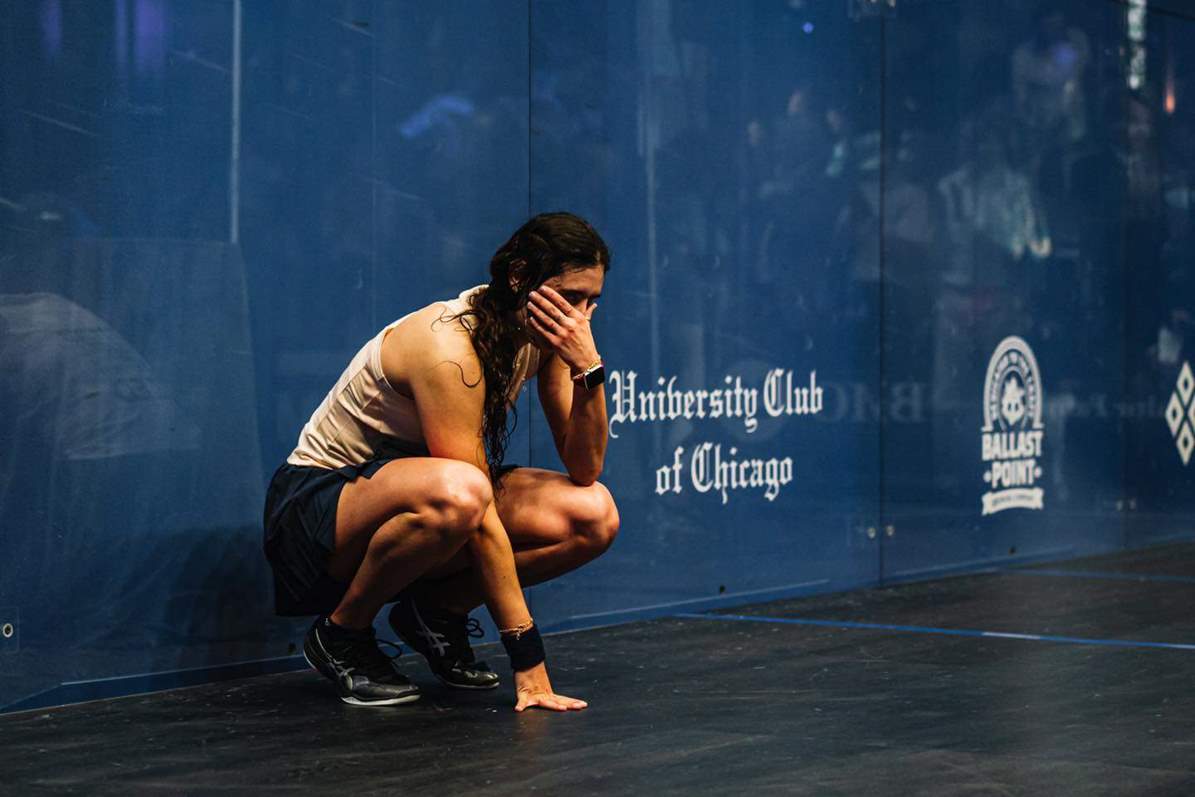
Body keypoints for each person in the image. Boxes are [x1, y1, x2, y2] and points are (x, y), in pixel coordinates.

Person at [262, 212, 619, 710]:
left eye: (590, 301)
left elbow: (585, 467)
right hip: (317, 515)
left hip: (423, 497)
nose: (578, 316)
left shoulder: (549, 337)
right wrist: (528, 662)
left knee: (593, 514)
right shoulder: (447, 344)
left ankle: (435, 612)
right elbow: (475, 509)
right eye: (569, 296)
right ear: (519, 276)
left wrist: (589, 368)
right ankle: (341, 633)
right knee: (463, 493)